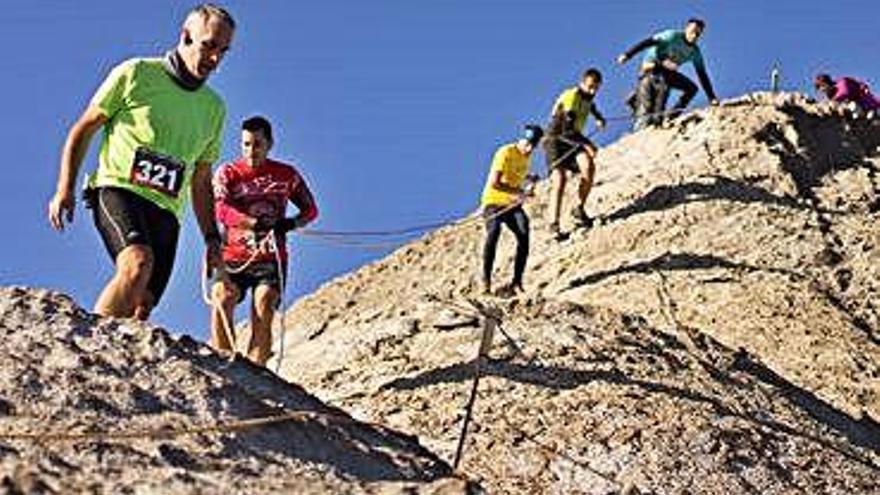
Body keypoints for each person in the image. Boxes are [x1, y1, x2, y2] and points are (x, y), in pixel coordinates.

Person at [47, 4, 235, 320]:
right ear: (186, 36)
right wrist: (64, 188)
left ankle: (119, 365)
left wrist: (212, 240)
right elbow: (83, 129)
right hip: (119, 189)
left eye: (224, 51)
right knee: (137, 264)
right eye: (209, 45)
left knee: (142, 305)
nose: (215, 59)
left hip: (167, 211)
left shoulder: (214, 108)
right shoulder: (136, 72)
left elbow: (201, 180)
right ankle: (94, 345)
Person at [210, 116, 318, 366]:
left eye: (257, 144)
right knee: (222, 297)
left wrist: (290, 223)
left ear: (270, 144)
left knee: (264, 303)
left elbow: (311, 210)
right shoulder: (228, 173)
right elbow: (221, 209)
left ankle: (256, 369)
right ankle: (222, 362)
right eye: (246, 144)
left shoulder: (286, 175)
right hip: (233, 256)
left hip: (270, 258)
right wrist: (252, 223)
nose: (251, 151)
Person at [618, 18, 719, 130]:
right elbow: (648, 42)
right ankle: (647, 110)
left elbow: (702, 75)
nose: (694, 35)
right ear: (686, 29)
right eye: (693, 31)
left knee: (692, 89)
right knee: (660, 91)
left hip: (668, 72)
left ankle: (670, 116)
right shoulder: (672, 36)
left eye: (698, 33)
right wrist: (627, 55)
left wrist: (712, 97)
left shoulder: (695, 52)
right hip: (651, 67)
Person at [543, 69, 606, 240]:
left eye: (596, 88)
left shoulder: (588, 98)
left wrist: (599, 118)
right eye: (590, 87)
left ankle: (579, 208)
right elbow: (567, 129)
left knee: (589, 167)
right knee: (560, 179)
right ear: (582, 83)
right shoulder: (571, 96)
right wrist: (588, 144)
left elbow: (591, 107)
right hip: (555, 139)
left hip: (573, 139)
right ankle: (553, 224)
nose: (593, 91)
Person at [480, 125, 543, 296]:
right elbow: (495, 183)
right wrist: (521, 192)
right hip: (493, 202)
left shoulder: (526, 158)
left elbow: (517, 174)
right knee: (494, 231)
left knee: (524, 233)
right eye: (528, 144)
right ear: (522, 141)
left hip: (512, 205)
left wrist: (530, 178)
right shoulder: (505, 152)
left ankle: (517, 282)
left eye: (533, 146)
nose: (530, 149)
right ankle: (485, 282)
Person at [814, 74, 880, 117]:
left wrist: (832, 101)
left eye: (823, 86)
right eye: (820, 88)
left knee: (853, 107)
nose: (822, 90)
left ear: (827, 83)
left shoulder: (842, 83)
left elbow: (845, 93)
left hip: (866, 102)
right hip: (860, 106)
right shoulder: (830, 94)